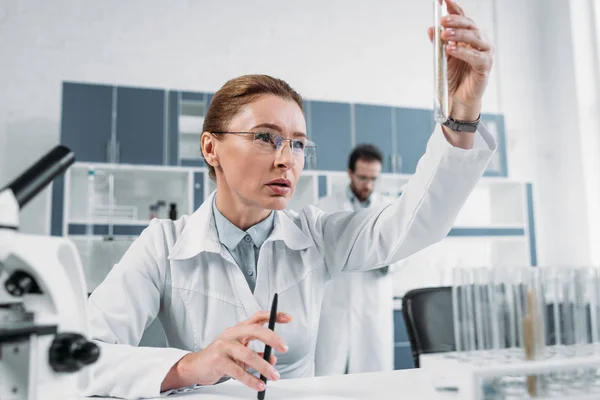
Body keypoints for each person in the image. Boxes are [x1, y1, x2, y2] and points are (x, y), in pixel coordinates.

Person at [85, 2, 496, 397]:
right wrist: (192, 365)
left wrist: (462, 113)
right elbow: (84, 355)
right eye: (266, 137)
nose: (286, 160)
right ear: (212, 149)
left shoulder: (315, 237)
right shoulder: (163, 245)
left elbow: (415, 222)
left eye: (298, 144)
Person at [314, 144, 397, 376]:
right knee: (328, 378)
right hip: (336, 305)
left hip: (373, 305)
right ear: (350, 173)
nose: (367, 185)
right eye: (362, 177)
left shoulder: (390, 209)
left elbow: (402, 252)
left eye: (373, 178)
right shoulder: (326, 207)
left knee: (374, 381)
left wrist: (383, 259)